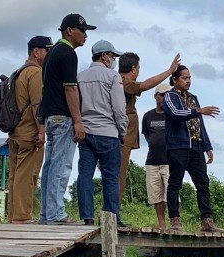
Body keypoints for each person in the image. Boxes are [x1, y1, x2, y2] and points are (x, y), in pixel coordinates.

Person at [38, 13, 95, 224]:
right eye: (82, 31)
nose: (85, 35)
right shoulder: (68, 53)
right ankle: (56, 214)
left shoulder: (52, 53)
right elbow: (70, 89)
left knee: (50, 166)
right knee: (61, 167)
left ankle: (46, 213)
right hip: (64, 117)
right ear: (70, 31)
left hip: (51, 116)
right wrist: (78, 121)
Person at [162, 65, 222, 233]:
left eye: (189, 78)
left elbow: (199, 123)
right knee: (175, 183)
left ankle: (207, 221)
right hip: (178, 146)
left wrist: (207, 145)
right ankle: (175, 221)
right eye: (184, 78)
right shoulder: (169, 96)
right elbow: (177, 114)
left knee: (203, 183)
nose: (188, 81)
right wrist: (198, 111)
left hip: (196, 145)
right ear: (175, 79)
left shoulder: (193, 98)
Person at [76, 40, 128, 227]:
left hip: (86, 132)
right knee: (111, 176)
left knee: (85, 175)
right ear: (104, 56)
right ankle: (112, 217)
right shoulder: (113, 76)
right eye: (112, 56)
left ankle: (87, 217)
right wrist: (123, 131)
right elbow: (119, 108)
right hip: (108, 132)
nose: (113, 59)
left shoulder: (79, 76)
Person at [117, 51, 180, 201]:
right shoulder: (123, 81)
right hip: (122, 137)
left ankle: (114, 213)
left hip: (124, 136)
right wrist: (170, 71)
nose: (138, 71)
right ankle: (114, 214)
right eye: (138, 68)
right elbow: (146, 85)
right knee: (119, 176)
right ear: (133, 68)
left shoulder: (118, 80)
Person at [6, 35, 51, 224]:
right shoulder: (35, 73)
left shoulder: (17, 73)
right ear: (37, 51)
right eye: (47, 50)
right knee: (27, 176)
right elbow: (36, 105)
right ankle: (22, 216)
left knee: (15, 175)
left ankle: (13, 215)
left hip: (15, 132)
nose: (48, 54)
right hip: (29, 133)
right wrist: (42, 131)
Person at [141, 84, 171, 231]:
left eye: (167, 95)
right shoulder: (148, 116)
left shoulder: (172, 115)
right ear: (155, 96)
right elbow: (147, 135)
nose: (164, 98)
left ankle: (174, 222)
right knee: (156, 195)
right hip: (152, 160)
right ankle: (161, 223)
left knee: (169, 193)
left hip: (169, 161)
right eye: (161, 94)